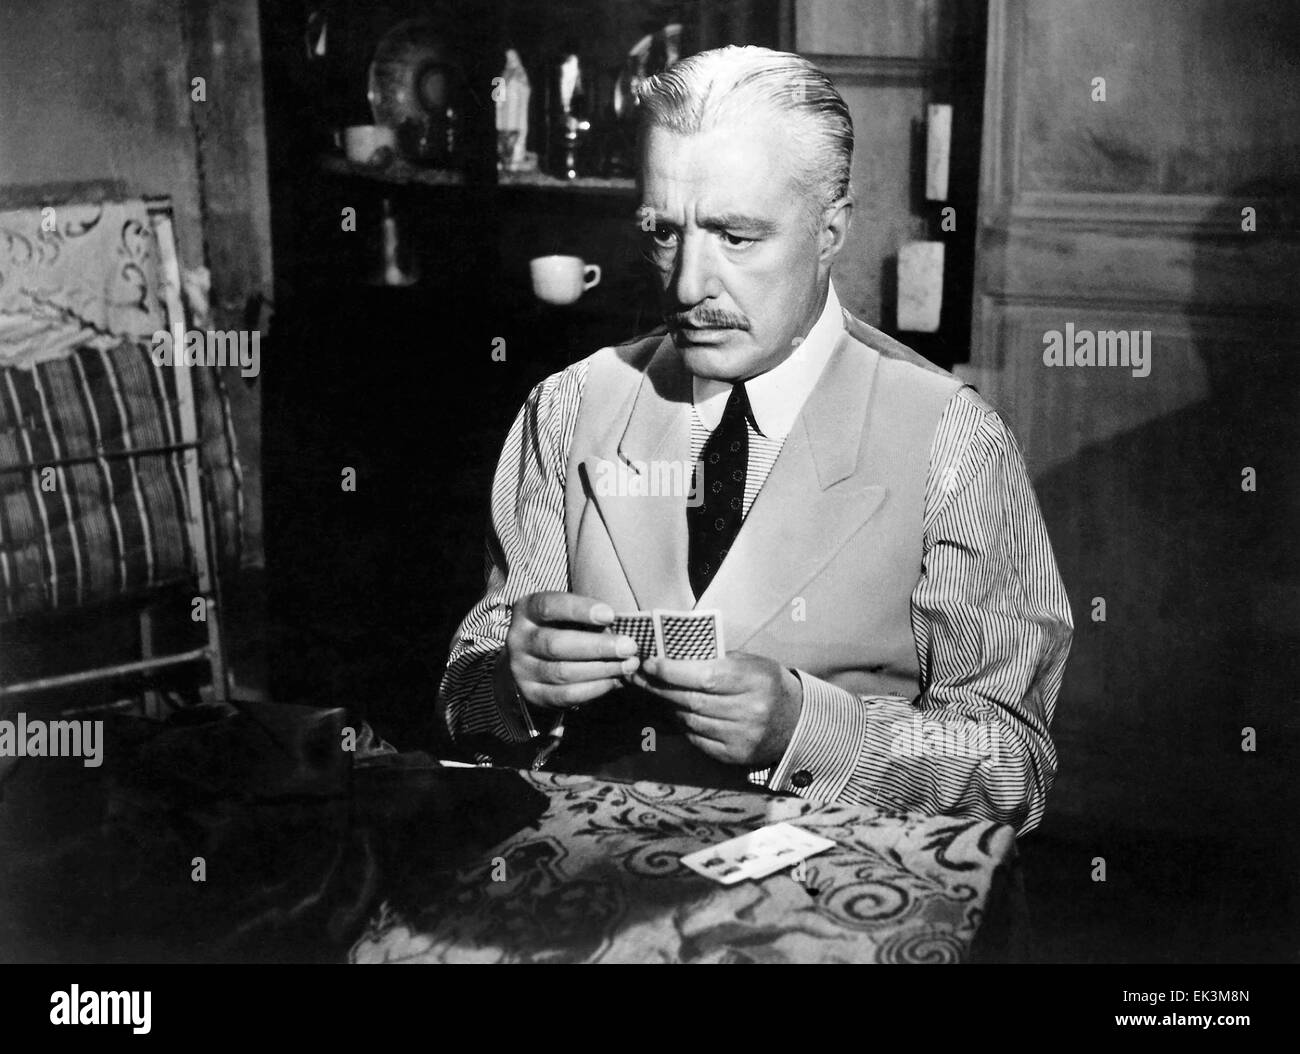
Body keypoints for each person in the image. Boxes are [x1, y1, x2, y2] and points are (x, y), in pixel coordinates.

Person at [439, 46, 1072, 835]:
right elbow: (465, 708)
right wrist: (511, 685)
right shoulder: (567, 408)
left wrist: (809, 727)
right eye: (666, 233)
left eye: (737, 238)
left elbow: (1015, 773)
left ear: (830, 231)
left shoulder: (955, 443)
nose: (686, 286)